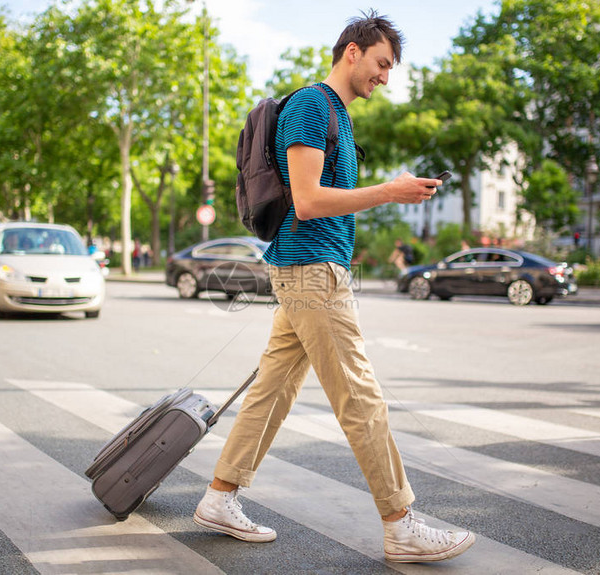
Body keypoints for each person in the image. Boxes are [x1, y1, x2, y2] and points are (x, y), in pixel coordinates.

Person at [192, 10, 475, 564]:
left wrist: (388, 194)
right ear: (352, 51)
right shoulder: (311, 107)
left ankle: (219, 497)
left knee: (273, 391)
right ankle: (401, 523)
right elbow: (309, 201)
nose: (385, 77)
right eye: (381, 63)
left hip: (313, 269)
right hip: (310, 271)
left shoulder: (339, 117)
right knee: (361, 396)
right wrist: (389, 192)